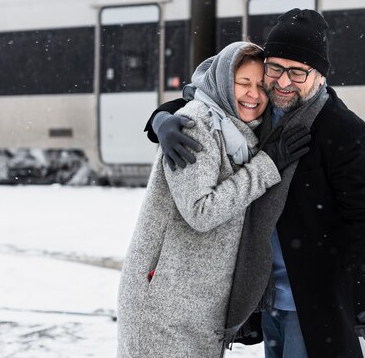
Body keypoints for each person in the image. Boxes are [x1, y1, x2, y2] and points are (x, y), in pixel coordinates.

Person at [144, 9, 365, 358]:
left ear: (319, 75)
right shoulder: (261, 112)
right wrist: (163, 118)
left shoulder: (342, 130)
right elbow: (209, 101)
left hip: (313, 303)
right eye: (275, 68)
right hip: (267, 301)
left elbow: (364, 219)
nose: (282, 82)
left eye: (297, 72)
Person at [117, 41, 310, 358]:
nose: (254, 95)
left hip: (201, 305)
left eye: (262, 86)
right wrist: (267, 167)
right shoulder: (197, 124)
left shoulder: (246, 131)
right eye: (243, 83)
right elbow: (201, 211)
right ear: (223, 82)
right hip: (163, 300)